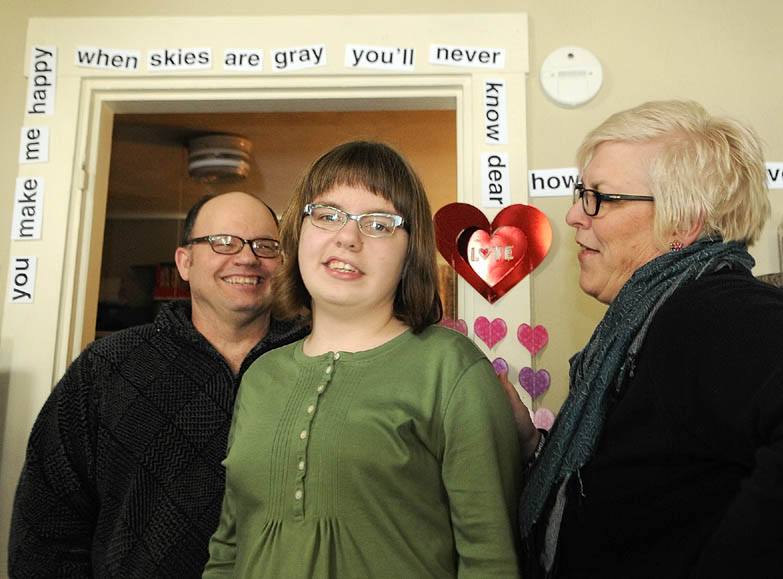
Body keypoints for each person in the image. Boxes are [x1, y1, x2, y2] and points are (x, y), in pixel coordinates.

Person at [506, 100, 783, 578]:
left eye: (599, 197)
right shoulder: (646, 322)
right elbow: (644, 480)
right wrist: (533, 447)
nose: (574, 216)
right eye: (581, 193)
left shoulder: (715, 309)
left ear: (682, 223)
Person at [203, 141, 520, 578]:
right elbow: (227, 549)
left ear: (411, 252)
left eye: (379, 223)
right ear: (298, 235)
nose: (348, 238)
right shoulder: (261, 375)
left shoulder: (452, 369)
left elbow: (491, 561)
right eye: (328, 216)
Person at [9, 192, 309, 578]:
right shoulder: (106, 368)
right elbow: (45, 525)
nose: (247, 257)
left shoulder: (316, 364)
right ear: (185, 262)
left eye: (265, 246)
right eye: (223, 242)